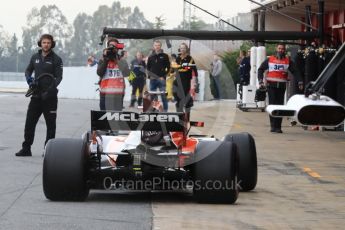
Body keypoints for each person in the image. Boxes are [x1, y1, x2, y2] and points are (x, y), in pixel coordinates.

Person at [15, 34, 63, 157]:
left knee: (51, 125)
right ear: (40, 44)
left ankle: (48, 150)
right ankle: (26, 149)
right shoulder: (35, 57)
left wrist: (50, 90)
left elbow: (59, 77)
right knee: (29, 123)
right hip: (36, 96)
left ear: (52, 44)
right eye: (44, 42)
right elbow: (28, 71)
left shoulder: (57, 59)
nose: (46, 44)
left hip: (50, 98)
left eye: (48, 42)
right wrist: (29, 80)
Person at [258, 43, 303, 133]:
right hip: (271, 86)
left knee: (280, 106)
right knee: (272, 106)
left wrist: (300, 81)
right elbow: (260, 69)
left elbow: (295, 71)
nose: (280, 50)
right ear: (276, 49)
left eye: (282, 49)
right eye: (279, 48)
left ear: (284, 50)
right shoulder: (269, 59)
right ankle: (273, 126)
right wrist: (260, 81)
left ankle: (278, 127)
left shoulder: (288, 60)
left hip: (281, 87)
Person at [97, 38, 130, 111]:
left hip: (118, 94)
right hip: (105, 94)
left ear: (118, 48)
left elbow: (127, 73)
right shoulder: (103, 59)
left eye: (114, 47)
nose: (112, 49)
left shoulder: (122, 60)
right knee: (103, 117)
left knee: (116, 118)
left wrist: (116, 59)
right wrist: (106, 60)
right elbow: (99, 73)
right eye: (110, 46)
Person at [173, 43, 198, 121]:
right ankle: (180, 118)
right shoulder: (178, 58)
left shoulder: (190, 58)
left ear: (186, 49)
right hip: (177, 81)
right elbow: (174, 68)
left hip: (186, 81)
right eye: (181, 48)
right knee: (178, 100)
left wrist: (196, 82)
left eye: (183, 48)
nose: (182, 49)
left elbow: (194, 70)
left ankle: (187, 118)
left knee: (186, 100)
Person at [146, 40, 170, 112]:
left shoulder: (165, 56)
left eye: (158, 45)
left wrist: (164, 76)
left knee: (164, 97)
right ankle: (154, 110)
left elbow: (168, 68)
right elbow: (148, 68)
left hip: (162, 80)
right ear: (154, 46)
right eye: (156, 45)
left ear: (160, 46)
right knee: (153, 97)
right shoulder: (150, 57)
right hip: (153, 80)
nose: (157, 47)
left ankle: (165, 111)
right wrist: (150, 77)